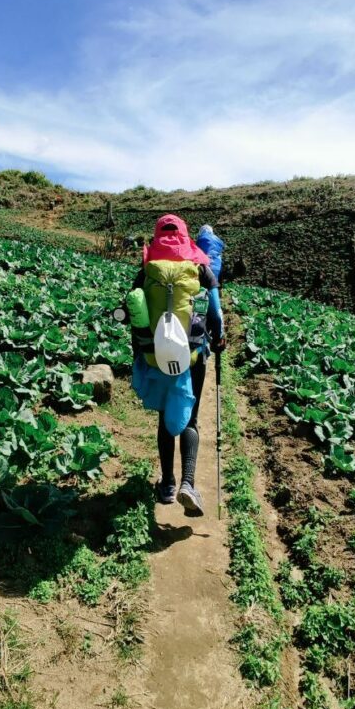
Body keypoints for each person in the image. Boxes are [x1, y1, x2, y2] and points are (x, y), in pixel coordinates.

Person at [129, 215, 225, 516]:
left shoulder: (147, 270)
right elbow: (216, 315)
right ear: (185, 236)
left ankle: (167, 485)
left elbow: (132, 312)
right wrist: (219, 338)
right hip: (192, 357)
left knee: (164, 417)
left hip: (157, 355)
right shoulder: (200, 268)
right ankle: (188, 483)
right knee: (191, 418)